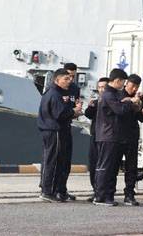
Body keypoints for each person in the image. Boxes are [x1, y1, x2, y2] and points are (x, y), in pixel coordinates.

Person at [93, 69, 141, 206]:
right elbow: (120, 110)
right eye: (123, 82)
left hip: (114, 135)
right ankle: (100, 196)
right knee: (106, 167)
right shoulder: (109, 95)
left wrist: (129, 102)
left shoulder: (112, 94)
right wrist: (130, 102)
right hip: (108, 135)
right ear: (117, 81)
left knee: (111, 167)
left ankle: (108, 195)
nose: (123, 85)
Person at [37, 68, 82, 202]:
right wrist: (74, 110)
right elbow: (59, 114)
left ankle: (57, 190)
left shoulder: (56, 93)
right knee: (52, 160)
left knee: (60, 161)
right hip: (54, 130)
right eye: (66, 79)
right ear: (57, 80)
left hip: (57, 130)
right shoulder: (54, 94)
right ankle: (47, 191)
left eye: (70, 78)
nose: (69, 81)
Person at [118, 74, 143, 206]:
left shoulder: (138, 98)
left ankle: (129, 194)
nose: (134, 88)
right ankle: (108, 192)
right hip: (118, 135)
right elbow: (119, 111)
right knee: (113, 166)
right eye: (132, 85)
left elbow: (141, 118)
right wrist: (129, 102)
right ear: (126, 83)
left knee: (131, 167)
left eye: (137, 86)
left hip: (132, 136)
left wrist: (140, 107)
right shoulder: (118, 95)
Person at [56, 62, 81, 201]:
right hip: (56, 128)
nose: (70, 80)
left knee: (66, 161)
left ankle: (62, 189)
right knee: (56, 160)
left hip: (67, 126)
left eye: (73, 76)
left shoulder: (75, 89)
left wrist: (77, 110)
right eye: (68, 76)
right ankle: (51, 188)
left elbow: (74, 106)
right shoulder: (55, 90)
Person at [84, 77, 109, 201]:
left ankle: (104, 191)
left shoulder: (112, 100)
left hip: (106, 138)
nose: (101, 89)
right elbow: (88, 114)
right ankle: (96, 190)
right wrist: (91, 106)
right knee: (93, 164)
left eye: (104, 87)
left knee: (104, 166)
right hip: (95, 136)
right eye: (99, 87)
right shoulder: (96, 101)